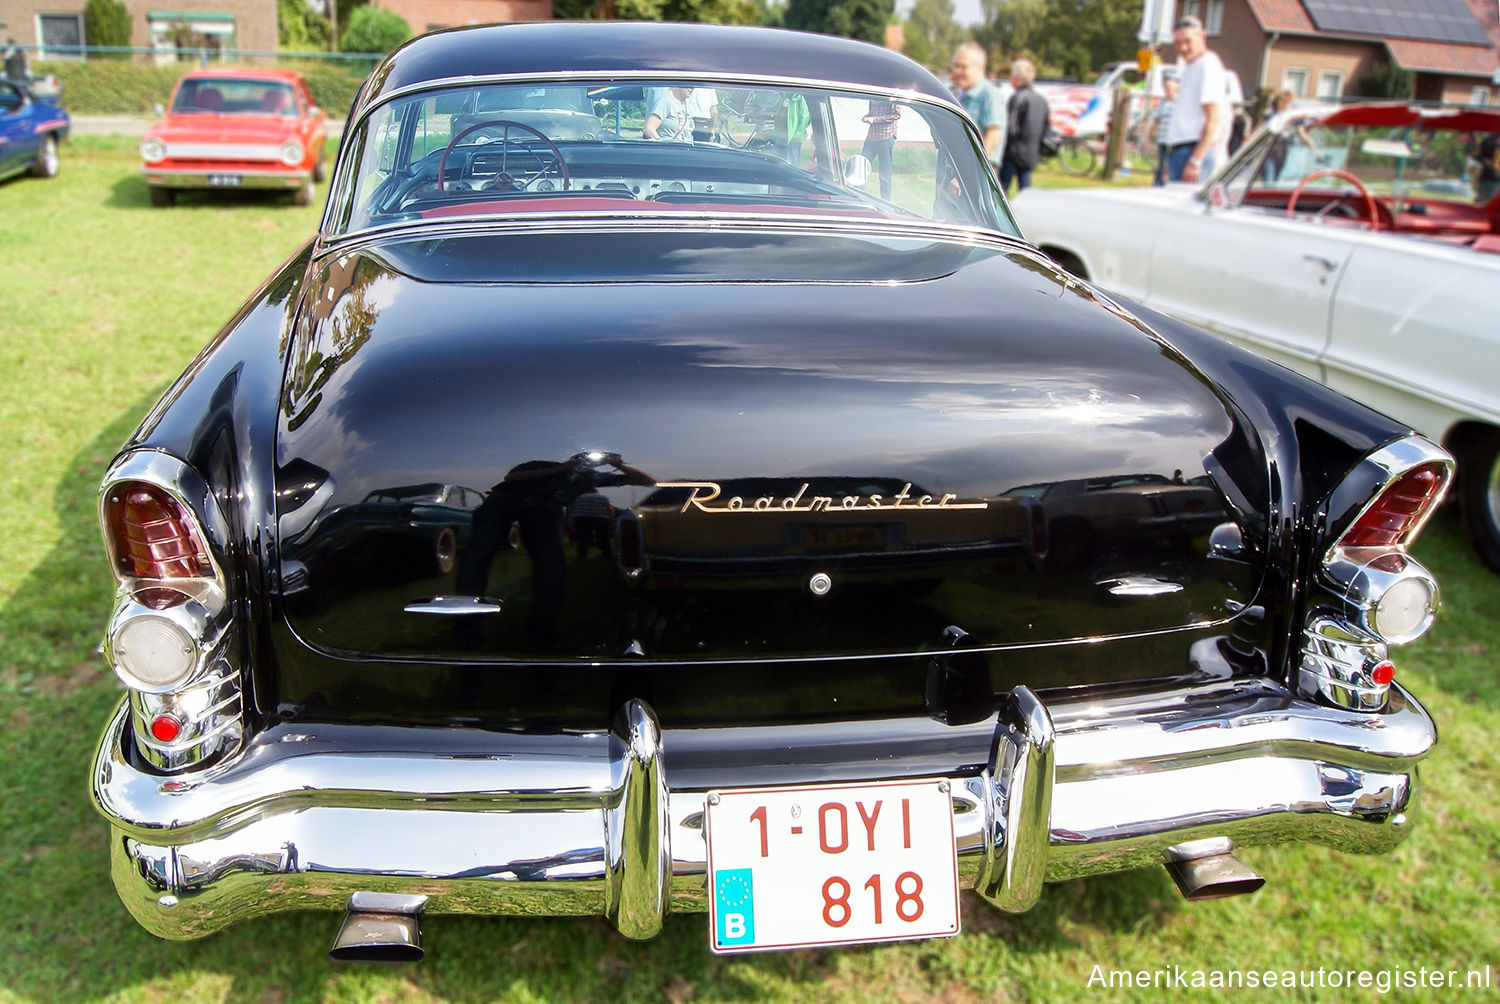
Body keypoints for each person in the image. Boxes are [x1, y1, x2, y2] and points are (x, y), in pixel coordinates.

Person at [1161, 15, 1230, 184]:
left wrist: (1196, 160)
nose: (1183, 48)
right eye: (1178, 43)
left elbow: (1212, 118)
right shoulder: (1190, 67)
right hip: (1179, 148)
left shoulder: (1208, 66)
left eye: (1188, 41)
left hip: (1193, 149)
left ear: (1202, 36)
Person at [949, 42, 1002, 177]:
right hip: (952, 173)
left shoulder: (989, 96)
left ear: (980, 68)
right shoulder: (957, 94)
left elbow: (993, 138)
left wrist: (966, 177)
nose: (957, 71)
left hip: (974, 178)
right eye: (956, 66)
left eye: (963, 67)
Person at [999, 57, 1050, 196]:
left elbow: (1011, 126)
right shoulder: (1041, 100)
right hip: (1031, 152)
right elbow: (1046, 127)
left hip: (1013, 152)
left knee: (1001, 192)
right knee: (1026, 192)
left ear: (1017, 78)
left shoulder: (1017, 98)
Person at [861, 99, 900, 200]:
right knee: (861, 168)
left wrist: (874, 119)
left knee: (884, 176)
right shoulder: (872, 96)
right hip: (871, 137)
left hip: (886, 138)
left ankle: (885, 204)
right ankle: (859, 198)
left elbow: (896, 115)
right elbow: (872, 112)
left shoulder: (893, 95)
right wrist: (867, 117)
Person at [1148, 68, 1179, 186]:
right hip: (1163, 140)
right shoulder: (1163, 103)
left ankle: (1166, 185)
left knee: (1169, 166)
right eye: (1166, 88)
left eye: (1171, 88)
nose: (1168, 90)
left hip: (1174, 141)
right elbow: (1156, 120)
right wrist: (1148, 137)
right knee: (1161, 165)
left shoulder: (1179, 102)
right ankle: (1158, 184)